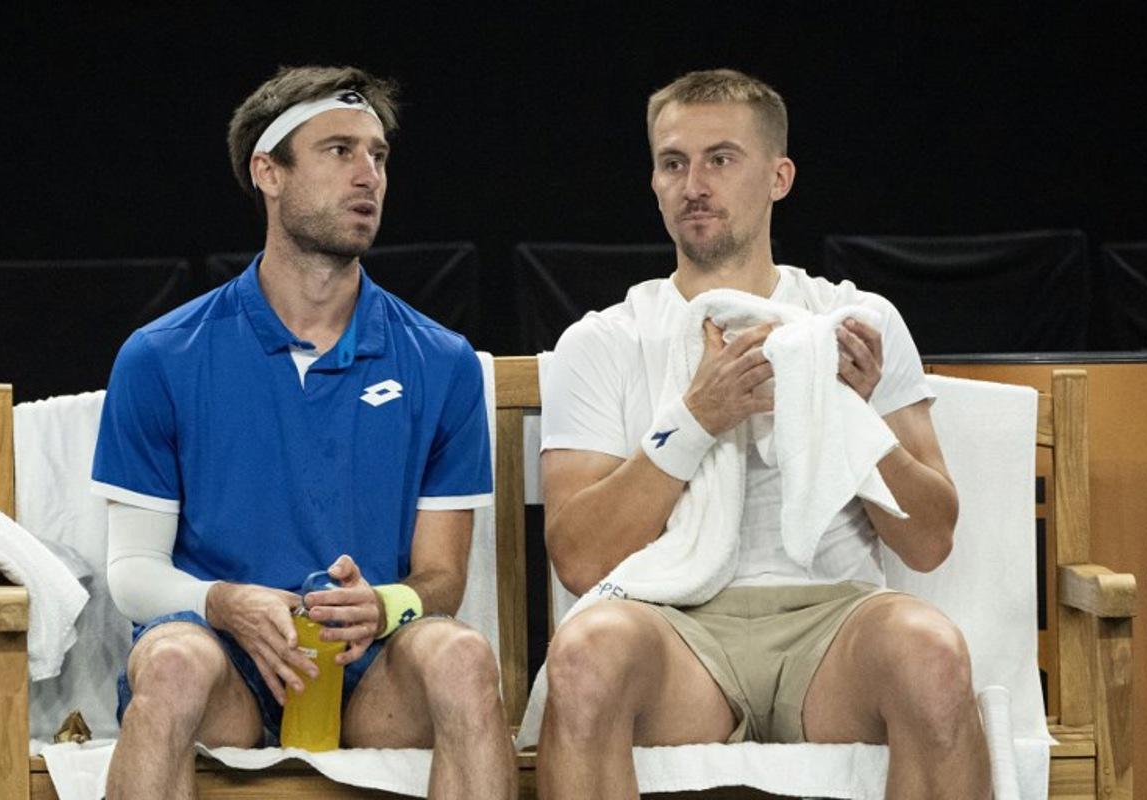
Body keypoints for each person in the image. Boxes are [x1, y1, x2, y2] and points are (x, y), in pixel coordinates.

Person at [536, 69, 990, 799]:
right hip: (674, 625)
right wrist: (695, 421)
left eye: (721, 159)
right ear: (653, 182)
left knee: (932, 654)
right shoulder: (603, 339)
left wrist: (852, 417)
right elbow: (580, 559)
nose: (694, 184)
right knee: (586, 655)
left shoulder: (853, 321)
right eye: (673, 163)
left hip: (832, 622)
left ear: (779, 177)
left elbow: (929, 541)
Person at [92, 65, 515, 800]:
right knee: (168, 662)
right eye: (339, 151)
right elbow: (132, 574)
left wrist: (387, 606)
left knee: (463, 657)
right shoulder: (162, 354)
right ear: (269, 172)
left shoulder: (440, 361)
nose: (368, 176)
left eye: (378, 156)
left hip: (371, 679)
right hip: (221, 668)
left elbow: (442, 577)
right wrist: (224, 602)